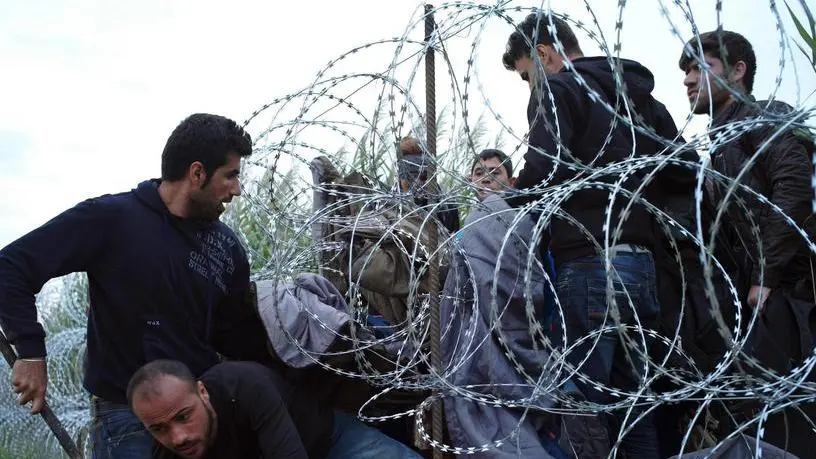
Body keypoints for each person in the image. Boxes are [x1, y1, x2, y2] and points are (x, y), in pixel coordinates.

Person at [0, 113, 271, 458]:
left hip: (200, 420)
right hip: (128, 423)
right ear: (197, 172)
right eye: (230, 175)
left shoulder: (226, 249)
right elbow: (12, 267)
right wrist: (29, 350)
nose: (236, 189)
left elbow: (232, 336)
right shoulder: (112, 219)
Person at [501, 11, 686, 458]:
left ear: (542, 54)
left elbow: (543, 172)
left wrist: (501, 208)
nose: (531, 87)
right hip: (642, 267)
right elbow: (682, 168)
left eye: (527, 76)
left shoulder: (559, 88)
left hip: (589, 264)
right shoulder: (635, 95)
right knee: (633, 409)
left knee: (584, 410)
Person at [678, 29, 816, 458]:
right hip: (758, 302)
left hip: (787, 297)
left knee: (789, 425)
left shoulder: (763, 116)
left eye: (702, 66)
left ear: (738, 71)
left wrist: (765, 276)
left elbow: (793, 188)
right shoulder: (719, 144)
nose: (687, 79)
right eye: (685, 71)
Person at [127, 359, 423, 459]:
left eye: (184, 416)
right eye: (159, 429)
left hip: (327, 442)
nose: (178, 437)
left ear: (202, 392)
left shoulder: (245, 385)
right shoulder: (165, 448)